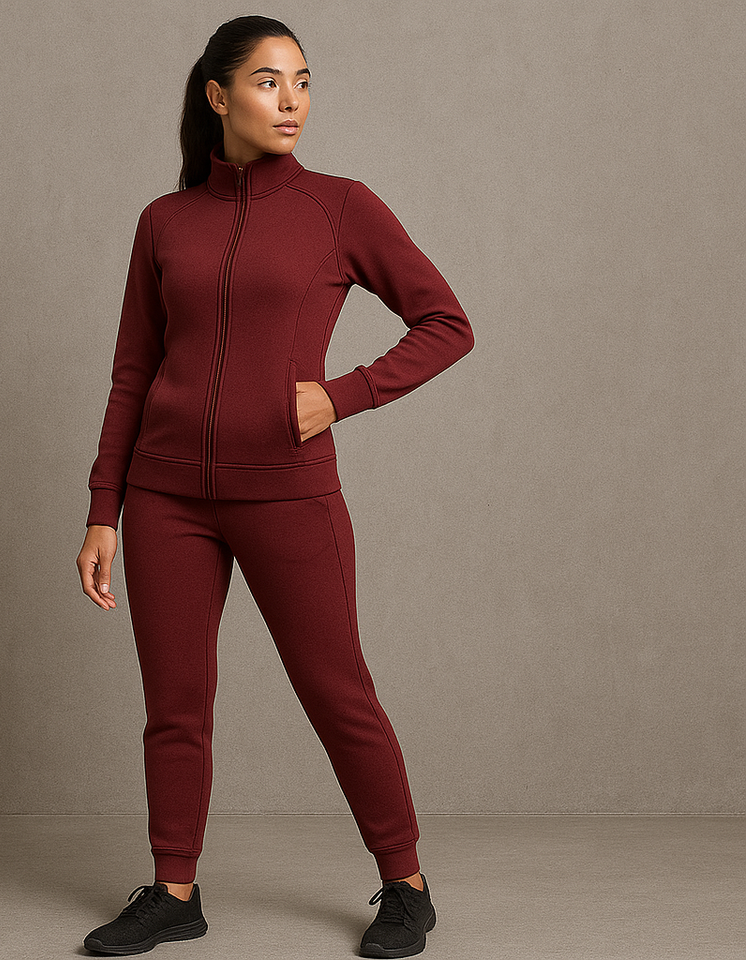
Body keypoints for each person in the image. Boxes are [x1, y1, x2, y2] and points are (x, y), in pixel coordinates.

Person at [76, 15, 473, 958]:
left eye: (302, 81)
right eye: (268, 81)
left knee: (337, 690)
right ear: (218, 96)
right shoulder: (165, 221)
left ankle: (406, 886)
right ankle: (174, 892)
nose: (291, 101)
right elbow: (133, 372)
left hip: (289, 493)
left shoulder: (339, 207)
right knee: (175, 702)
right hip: (166, 496)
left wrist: (342, 395)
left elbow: (446, 322)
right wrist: (103, 511)